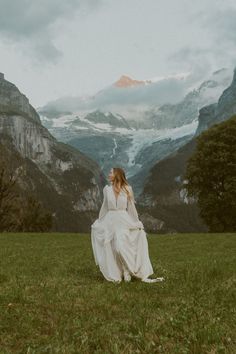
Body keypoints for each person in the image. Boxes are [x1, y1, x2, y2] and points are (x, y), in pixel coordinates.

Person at [91, 167, 164, 283]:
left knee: (120, 247)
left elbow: (131, 207)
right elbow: (104, 207)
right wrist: (99, 222)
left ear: (117, 174)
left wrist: (136, 222)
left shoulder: (127, 189)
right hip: (110, 221)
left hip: (123, 220)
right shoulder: (107, 190)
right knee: (113, 248)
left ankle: (126, 270)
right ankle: (120, 272)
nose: (109, 174)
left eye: (111, 172)